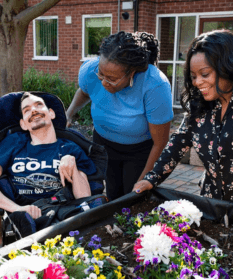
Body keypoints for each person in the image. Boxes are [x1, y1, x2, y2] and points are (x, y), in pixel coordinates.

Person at [133, 29, 233, 223]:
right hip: (212, 204)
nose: (198, 82)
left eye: (205, 74)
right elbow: (180, 140)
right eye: (193, 76)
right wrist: (151, 179)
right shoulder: (201, 101)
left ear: (227, 66)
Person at [66, 31, 174, 201]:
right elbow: (85, 92)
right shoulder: (90, 70)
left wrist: (144, 180)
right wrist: (69, 113)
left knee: (133, 200)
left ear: (132, 73)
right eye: (101, 74)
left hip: (139, 151)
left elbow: (160, 143)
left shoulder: (155, 86)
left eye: (111, 78)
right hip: (103, 143)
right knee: (113, 194)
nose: (103, 81)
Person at [0, 92, 97, 223]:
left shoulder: (70, 148)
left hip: (62, 213)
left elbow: (84, 199)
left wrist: (74, 168)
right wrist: (17, 209)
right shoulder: (13, 143)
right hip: (25, 214)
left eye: (39, 105)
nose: (33, 110)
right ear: (23, 124)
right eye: (26, 110)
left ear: (51, 113)